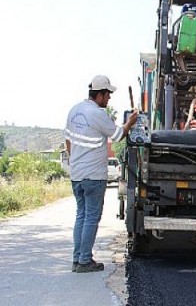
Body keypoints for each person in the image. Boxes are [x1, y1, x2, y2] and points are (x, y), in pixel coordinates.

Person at [64, 75, 138, 273]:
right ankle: (85, 261)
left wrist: (76, 162)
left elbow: (68, 141)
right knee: (90, 217)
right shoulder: (97, 114)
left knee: (81, 215)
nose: (109, 99)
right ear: (100, 95)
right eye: (108, 95)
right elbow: (117, 135)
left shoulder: (74, 111)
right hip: (93, 176)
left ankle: (77, 258)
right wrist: (130, 122)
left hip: (77, 174)